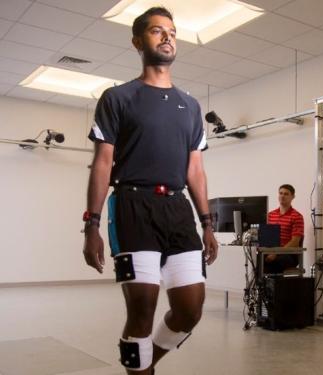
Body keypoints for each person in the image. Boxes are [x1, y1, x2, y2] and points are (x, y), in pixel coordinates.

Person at [82, 7, 218, 375]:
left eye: (172, 31)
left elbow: (195, 170)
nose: (167, 36)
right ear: (138, 42)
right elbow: (102, 164)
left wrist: (207, 222)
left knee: (190, 309)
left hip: (177, 210)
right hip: (132, 206)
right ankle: (139, 369)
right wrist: (91, 225)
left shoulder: (190, 106)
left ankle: (144, 363)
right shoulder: (118, 97)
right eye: (157, 31)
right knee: (142, 309)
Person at [265, 184, 304, 274]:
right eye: (280, 193)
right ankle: (261, 287)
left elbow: (295, 242)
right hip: (270, 251)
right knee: (253, 259)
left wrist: (276, 253)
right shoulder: (270, 215)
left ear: (292, 197)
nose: (282, 196)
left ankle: (272, 287)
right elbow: (266, 237)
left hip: (288, 254)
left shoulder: (297, 216)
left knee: (273, 264)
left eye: (286, 194)